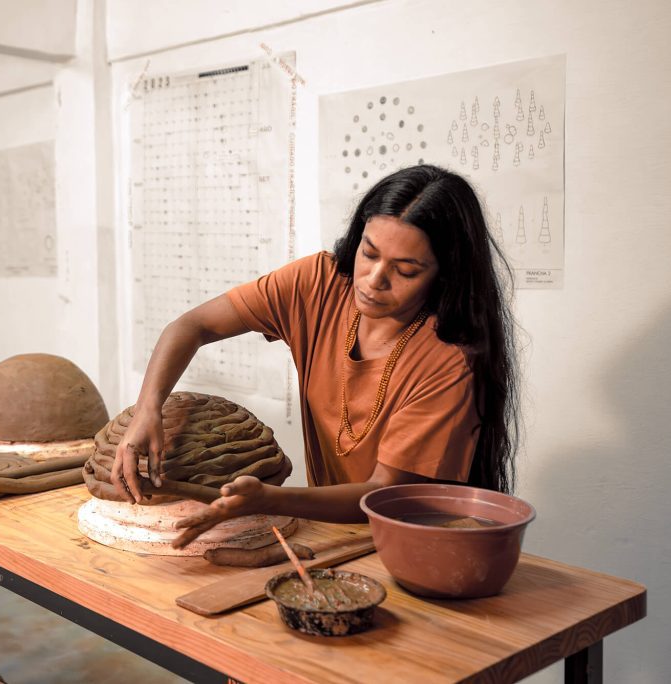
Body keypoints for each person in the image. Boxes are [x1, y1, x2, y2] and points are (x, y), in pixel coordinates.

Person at [111, 164, 519, 549]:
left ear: (444, 275)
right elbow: (193, 325)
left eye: (406, 270)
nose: (374, 280)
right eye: (369, 252)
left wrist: (269, 499)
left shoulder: (449, 360)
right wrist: (149, 409)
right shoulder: (320, 283)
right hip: (333, 536)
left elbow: (385, 495)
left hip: (418, 547)